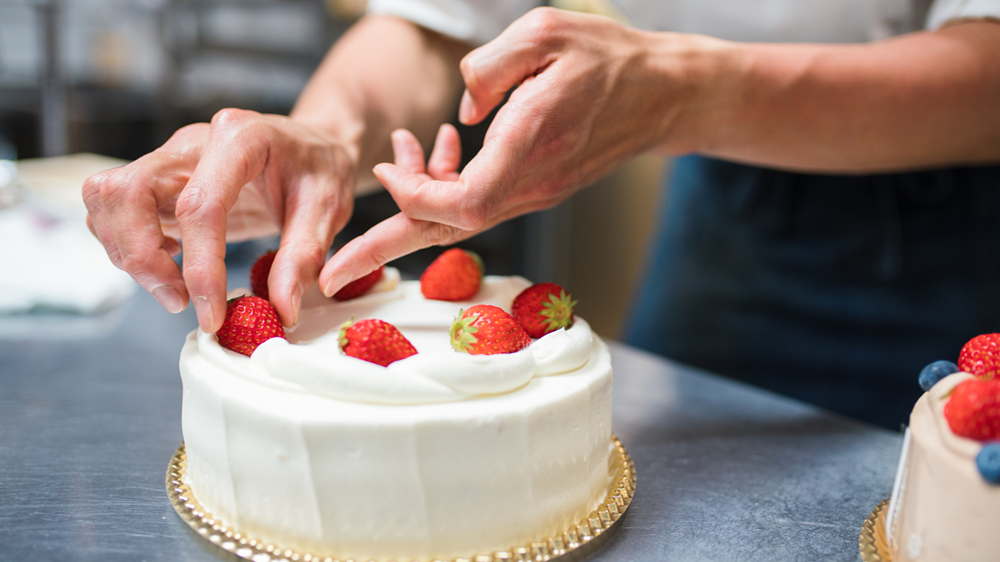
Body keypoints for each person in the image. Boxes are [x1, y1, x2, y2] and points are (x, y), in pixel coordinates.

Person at [83, 1, 1000, 426]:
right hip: (726, 200)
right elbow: (442, 21)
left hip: (954, 222)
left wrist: (684, 92)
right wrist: (322, 133)